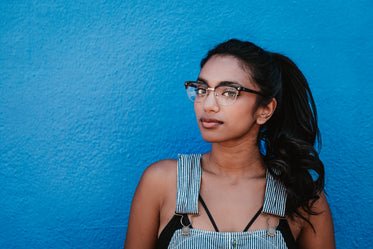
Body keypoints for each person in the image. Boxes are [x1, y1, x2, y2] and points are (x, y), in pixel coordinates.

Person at [124, 39, 335, 249]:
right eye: (202, 89)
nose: (208, 104)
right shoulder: (162, 182)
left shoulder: (301, 193)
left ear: (265, 110)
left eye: (228, 92)